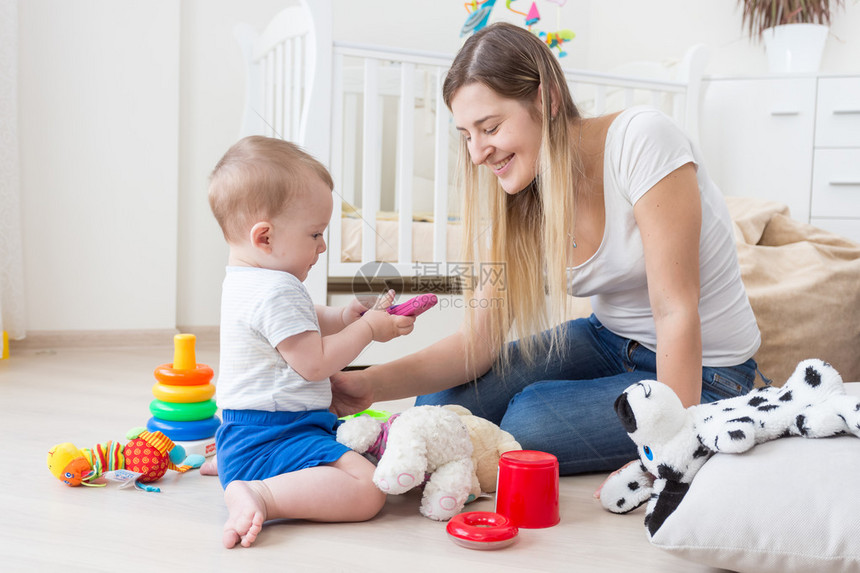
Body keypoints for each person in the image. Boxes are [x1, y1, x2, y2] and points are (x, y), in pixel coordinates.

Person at [330, 23, 761, 485]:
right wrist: (367, 383)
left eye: (490, 128)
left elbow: (675, 309)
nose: (477, 153)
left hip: (710, 373)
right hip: (608, 340)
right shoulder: (520, 196)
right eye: (466, 135)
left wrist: (672, 452)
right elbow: (475, 345)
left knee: (527, 421)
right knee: (435, 408)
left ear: (547, 99)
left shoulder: (643, 141)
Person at [207, 135, 415, 548]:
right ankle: (260, 493)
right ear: (264, 237)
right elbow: (314, 364)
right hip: (275, 433)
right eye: (316, 234)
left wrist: (343, 317)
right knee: (369, 488)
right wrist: (369, 329)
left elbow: (299, 325)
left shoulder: (247, 281)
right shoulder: (276, 289)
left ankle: (241, 471)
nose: (323, 246)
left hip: (249, 429)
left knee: (360, 450)